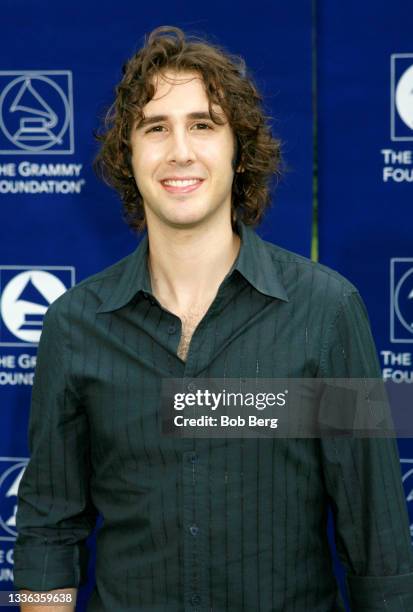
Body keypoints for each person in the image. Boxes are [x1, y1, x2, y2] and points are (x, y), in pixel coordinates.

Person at [13, 25, 413, 611]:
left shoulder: (327, 313)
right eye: (156, 128)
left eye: (203, 124)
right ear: (128, 154)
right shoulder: (74, 326)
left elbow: (378, 546)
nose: (180, 151)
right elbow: (48, 532)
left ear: (238, 150)